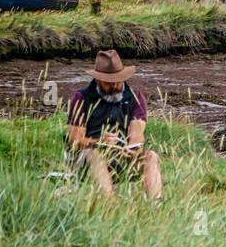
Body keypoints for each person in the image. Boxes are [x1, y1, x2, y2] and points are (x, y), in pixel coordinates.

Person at [66, 49, 162, 201]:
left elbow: (137, 134)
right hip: (87, 160)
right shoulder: (81, 98)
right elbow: (74, 140)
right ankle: (110, 204)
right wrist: (99, 143)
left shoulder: (135, 97)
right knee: (95, 155)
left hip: (122, 156)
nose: (115, 85)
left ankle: (155, 204)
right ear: (98, 79)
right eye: (109, 82)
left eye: (118, 80)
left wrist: (134, 149)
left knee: (151, 156)